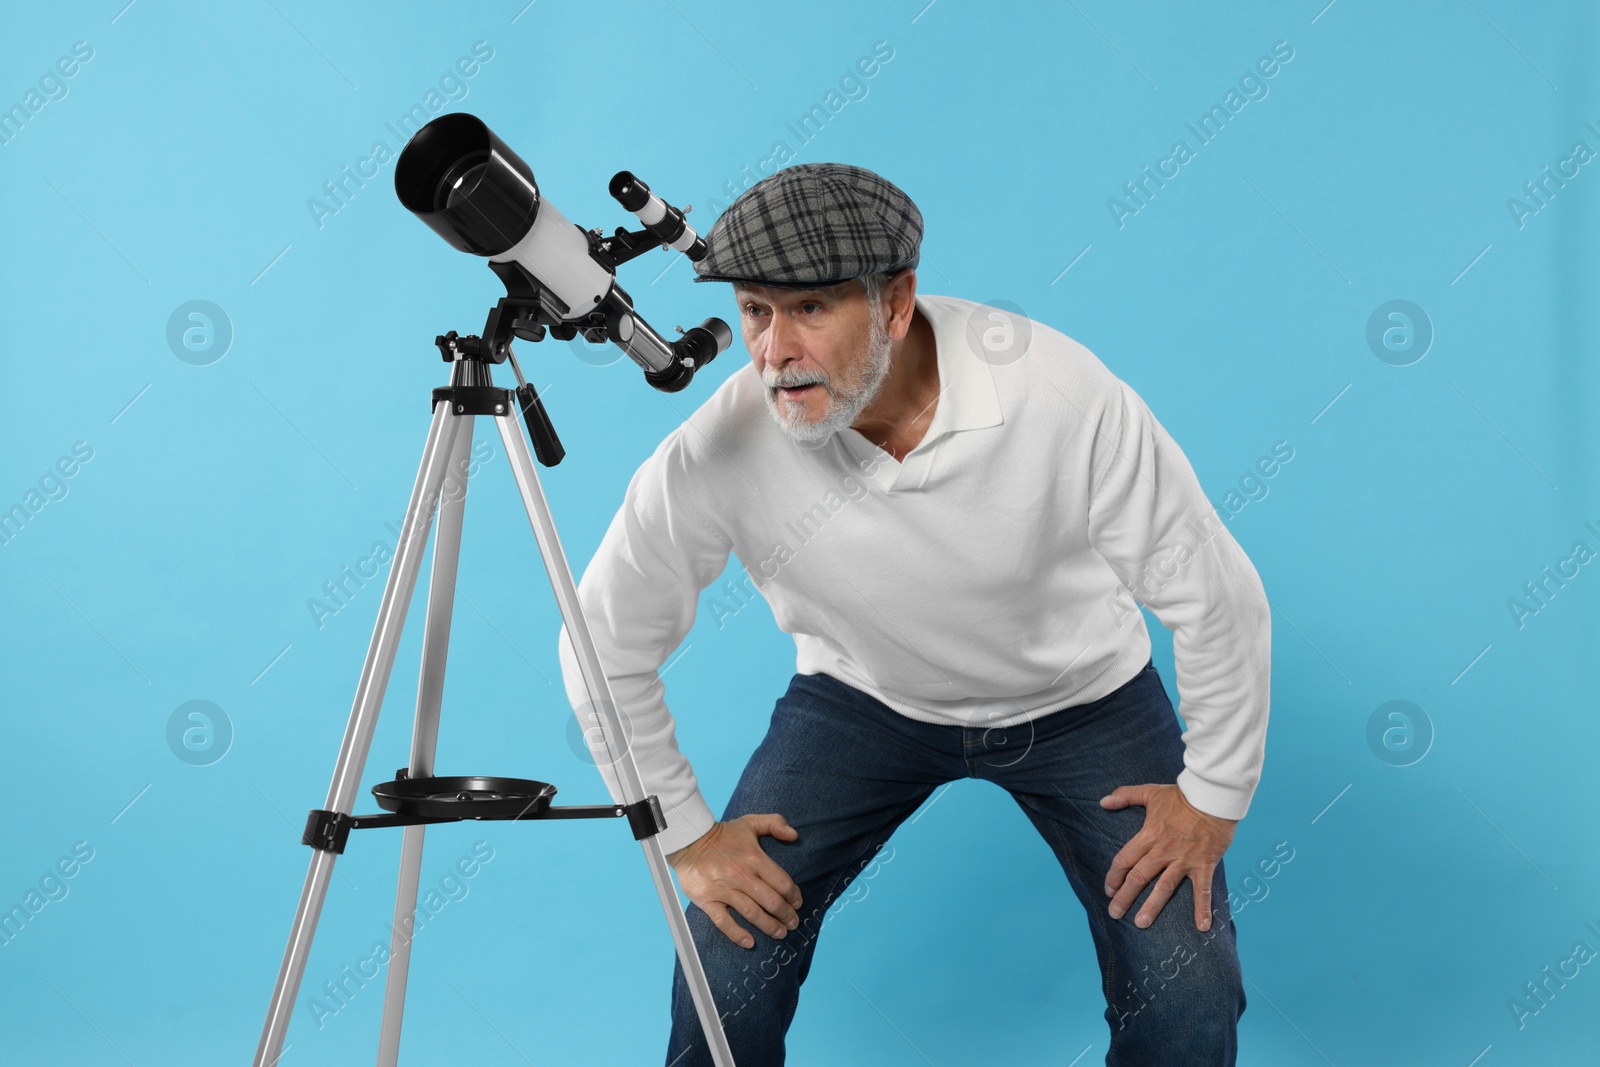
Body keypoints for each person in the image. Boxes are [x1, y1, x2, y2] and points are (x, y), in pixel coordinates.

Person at [555, 162, 1272, 1066]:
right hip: (863, 704)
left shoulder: (1058, 395)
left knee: (1189, 984)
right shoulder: (722, 446)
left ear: (895, 303)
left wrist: (1214, 795)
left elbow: (1219, 597)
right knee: (722, 968)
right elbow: (598, 642)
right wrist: (687, 833)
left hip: (1084, 700)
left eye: (811, 309)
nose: (775, 350)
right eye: (755, 312)